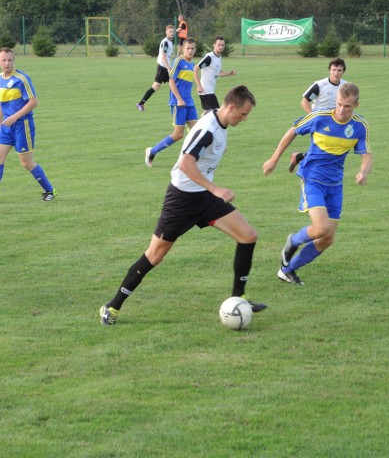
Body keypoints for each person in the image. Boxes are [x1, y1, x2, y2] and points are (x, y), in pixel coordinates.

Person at [100, 85, 266, 325]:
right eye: (243, 114)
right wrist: (216, 189)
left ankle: (238, 298)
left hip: (204, 198)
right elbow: (186, 164)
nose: (245, 119)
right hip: (182, 200)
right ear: (230, 107)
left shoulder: (218, 121)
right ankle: (112, 306)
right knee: (155, 255)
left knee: (248, 235)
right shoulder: (208, 129)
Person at [262, 82, 372, 286]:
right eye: (339, 104)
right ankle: (292, 241)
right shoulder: (320, 117)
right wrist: (274, 159)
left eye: (347, 106)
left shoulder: (359, 126)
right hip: (312, 178)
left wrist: (362, 172)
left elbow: (366, 156)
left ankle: (287, 270)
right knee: (321, 228)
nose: (341, 110)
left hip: (335, 185)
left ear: (356, 105)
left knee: (327, 238)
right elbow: (292, 131)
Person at [0, 47, 56, 203]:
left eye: (10, 60)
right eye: (4, 60)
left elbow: (33, 102)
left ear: (14, 61)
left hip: (23, 125)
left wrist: (14, 117)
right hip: (6, 127)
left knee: (26, 163)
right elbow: (2, 101)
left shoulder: (22, 79)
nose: (7, 63)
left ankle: (50, 190)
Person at [144, 38, 198, 168]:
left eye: (192, 48)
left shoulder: (192, 64)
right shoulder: (179, 61)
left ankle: (191, 160)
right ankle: (152, 151)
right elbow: (171, 81)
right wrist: (179, 99)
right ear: (183, 49)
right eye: (188, 48)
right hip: (178, 103)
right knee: (178, 135)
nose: (190, 51)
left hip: (189, 102)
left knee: (196, 131)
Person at [290, 57, 347, 172]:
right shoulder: (319, 85)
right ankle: (307, 169)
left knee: (330, 150)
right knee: (323, 151)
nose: (336, 73)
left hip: (336, 122)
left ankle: (299, 157)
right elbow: (305, 101)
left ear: (343, 71)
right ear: (329, 70)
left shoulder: (345, 87)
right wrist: (314, 117)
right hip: (320, 122)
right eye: (334, 70)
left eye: (339, 70)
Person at [136, 25, 175, 112]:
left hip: (166, 67)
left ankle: (175, 102)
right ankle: (140, 103)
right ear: (166, 32)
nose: (172, 33)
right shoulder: (165, 42)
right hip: (163, 67)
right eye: (170, 31)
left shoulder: (170, 42)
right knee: (156, 87)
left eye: (173, 31)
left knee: (174, 83)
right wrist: (169, 68)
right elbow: (164, 57)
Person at [194, 36, 236, 115]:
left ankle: (197, 126)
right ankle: (197, 126)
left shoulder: (219, 57)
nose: (221, 47)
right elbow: (195, 69)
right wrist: (199, 86)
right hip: (205, 90)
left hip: (209, 90)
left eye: (222, 45)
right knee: (216, 113)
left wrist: (230, 73)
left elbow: (219, 73)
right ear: (214, 45)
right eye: (219, 45)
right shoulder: (209, 57)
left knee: (208, 114)